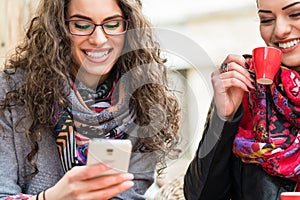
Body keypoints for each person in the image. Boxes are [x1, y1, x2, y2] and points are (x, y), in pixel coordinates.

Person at [0, 0, 180, 199]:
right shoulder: (10, 91)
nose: (99, 39)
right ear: (59, 28)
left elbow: (130, 195)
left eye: (112, 24)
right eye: (82, 25)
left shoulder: (144, 99)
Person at [184, 0, 299, 199]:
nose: (280, 31)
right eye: (267, 19)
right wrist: (224, 118)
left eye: (296, 14)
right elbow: (199, 196)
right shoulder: (245, 87)